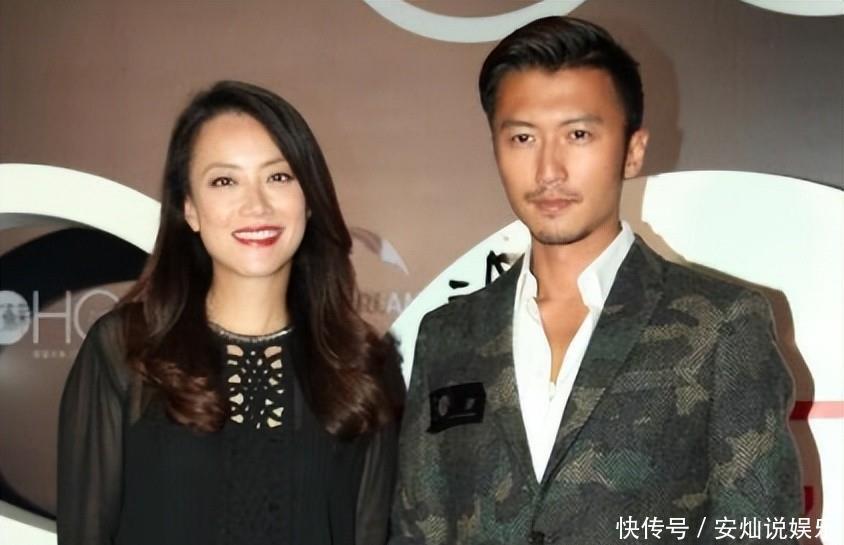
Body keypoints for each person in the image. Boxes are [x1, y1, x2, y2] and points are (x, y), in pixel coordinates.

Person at [390, 16, 802, 545]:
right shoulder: (449, 335)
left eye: (579, 135)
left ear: (632, 150)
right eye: (522, 137)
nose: (549, 170)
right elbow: (417, 531)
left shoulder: (719, 325)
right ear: (495, 149)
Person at [57, 80, 403, 545]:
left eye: (279, 177)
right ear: (190, 209)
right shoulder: (126, 351)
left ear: (309, 199)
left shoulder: (362, 368)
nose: (256, 205)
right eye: (224, 181)